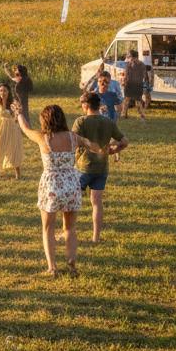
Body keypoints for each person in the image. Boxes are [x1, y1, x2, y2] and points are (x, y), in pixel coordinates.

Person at [16, 105, 100, 276]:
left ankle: (52, 268)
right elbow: (93, 146)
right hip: (72, 184)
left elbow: (25, 129)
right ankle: (72, 265)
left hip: (52, 185)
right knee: (69, 228)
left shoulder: (43, 137)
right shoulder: (73, 137)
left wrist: (18, 113)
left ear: (45, 120)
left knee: (48, 228)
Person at [71, 92, 129, 244]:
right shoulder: (108, 122)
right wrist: (114, 151)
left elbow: (74, 143)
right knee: (96, 202)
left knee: (72, 202)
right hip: (102, 168)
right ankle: (95, 237)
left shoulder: (80, 121)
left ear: (86, 105)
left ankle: (69, 232)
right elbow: (124, 141)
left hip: (83, 168)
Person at [120, 50, 148, 122]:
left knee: (138, 101)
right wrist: (124, 82)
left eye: (130, 57)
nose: (129, 58)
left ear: (135, 57)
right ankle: (124, 115)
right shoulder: (129, 65)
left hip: (138, 85)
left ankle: (142, 116)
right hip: (129, 84)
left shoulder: (141, 65)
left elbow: (145, 76)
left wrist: (145, 87)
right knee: (126, 100)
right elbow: (126, 75)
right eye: (129, 57)